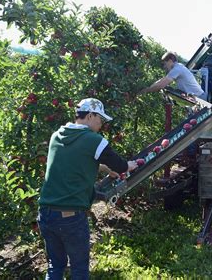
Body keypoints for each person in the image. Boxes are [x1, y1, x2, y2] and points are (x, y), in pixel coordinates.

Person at [37, 98, 139, 279]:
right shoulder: (94, 140)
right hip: (71, 215)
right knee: (79, 268)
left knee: (55, 265)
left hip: (45, 213)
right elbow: (121, 165)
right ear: (90, 115)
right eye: (100, 119)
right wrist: (130, 164)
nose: (101, 124)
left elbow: (75, 161)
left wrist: (105, 169)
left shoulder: (57, 135)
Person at [140, 51, 206, 100]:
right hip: (197, 96)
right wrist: (150, 87)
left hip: (199, 98)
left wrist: (145, 90)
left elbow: (161, 84)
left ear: (170, 61)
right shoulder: (179, 67)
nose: (164, 67)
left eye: (165, 64)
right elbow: (162, 80)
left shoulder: (177, 69)